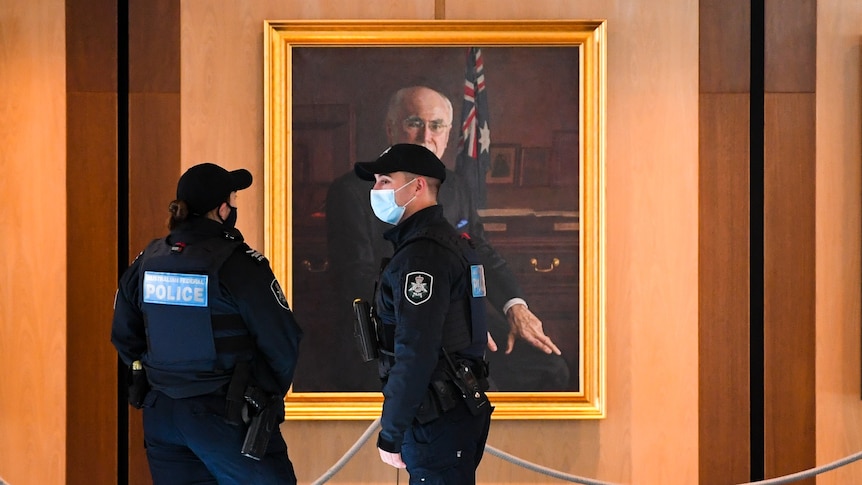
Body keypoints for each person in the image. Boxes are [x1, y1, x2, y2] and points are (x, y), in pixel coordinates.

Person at [325, 85, 569, 391]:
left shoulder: (455, 185)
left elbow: (478, 251)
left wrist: (514, 305)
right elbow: (359, 280)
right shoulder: (351, 192)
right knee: (475, 386)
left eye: (436, 125)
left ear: (448, 133)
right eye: (414, 123)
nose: (426, 136)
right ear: (390, 130)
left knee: (550, 368)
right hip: (392, 329)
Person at [111, 162, 303, 484]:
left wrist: (151, 380)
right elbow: (283, 342)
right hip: (225, 416)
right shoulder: (238, 264)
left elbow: (124, 336)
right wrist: (261, 397)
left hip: (162, 415)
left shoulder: (148, 259)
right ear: (223, 209)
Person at [356, 143, 493, 483]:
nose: (376, 191)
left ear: (417, 186)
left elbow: (415, 351)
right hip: (452, 411)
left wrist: (392, 430)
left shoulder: (423, 257)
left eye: (385, 181)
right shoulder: (449, 242)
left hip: (435, 417)